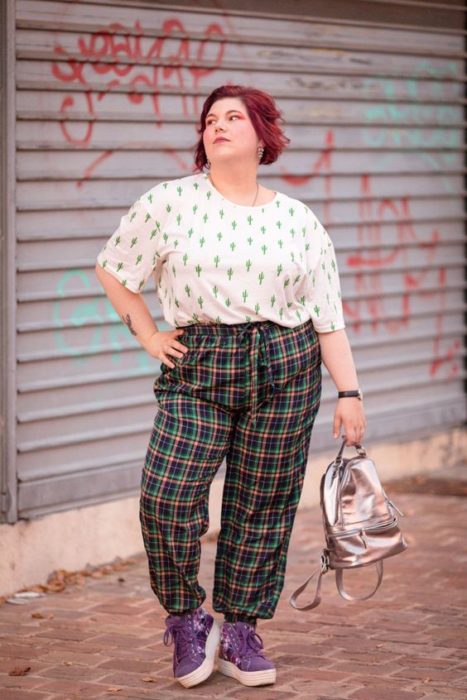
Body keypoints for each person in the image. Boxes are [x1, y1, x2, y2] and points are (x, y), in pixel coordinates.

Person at [95, 84, 366, 689]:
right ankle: (188, 619)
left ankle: (241, 628)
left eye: (233, 117)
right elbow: (114, 268)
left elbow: (327, 315)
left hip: (287, 363)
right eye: (210, 119)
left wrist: (350, 394)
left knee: (263, 505)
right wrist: (148, 337)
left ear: (262, 133)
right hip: (202, 361)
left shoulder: (298, 219)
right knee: (166, 497)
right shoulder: (168, 203)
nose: (217, 126)